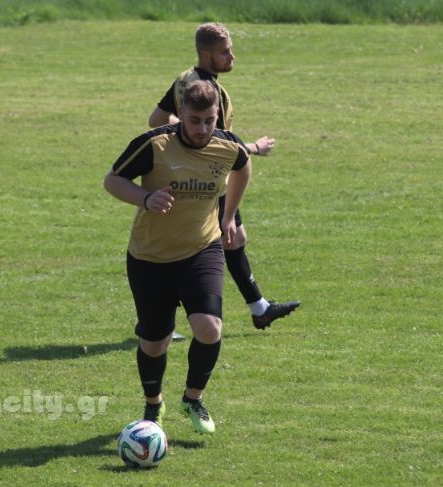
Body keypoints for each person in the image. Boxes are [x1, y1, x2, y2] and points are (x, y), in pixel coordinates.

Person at [104, 81, 251, 434]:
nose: (202, 129)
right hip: (149, 257)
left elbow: (243, 167)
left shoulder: (228, 146)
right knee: (155, 342)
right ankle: (153, 405)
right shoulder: (154, 144)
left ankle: (192, 398)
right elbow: (112, 180)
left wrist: (229, 217)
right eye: (195, 120)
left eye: (209, 120)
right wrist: (145, 198)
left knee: (209, 328)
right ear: (181, 112)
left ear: (218, 115)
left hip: (202, 250)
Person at [149, 22, 299, 332]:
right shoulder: (208, 92)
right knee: (197, 246)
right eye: (225, 52)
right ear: (206, 54)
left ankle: (260, 308)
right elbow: (217, 144)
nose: (232, 57)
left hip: (196, 171)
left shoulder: (185, 79)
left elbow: (157, 119)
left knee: (234, 239)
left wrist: (181, 133)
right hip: (204, 177)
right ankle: (162, 322)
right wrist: (254, 148)